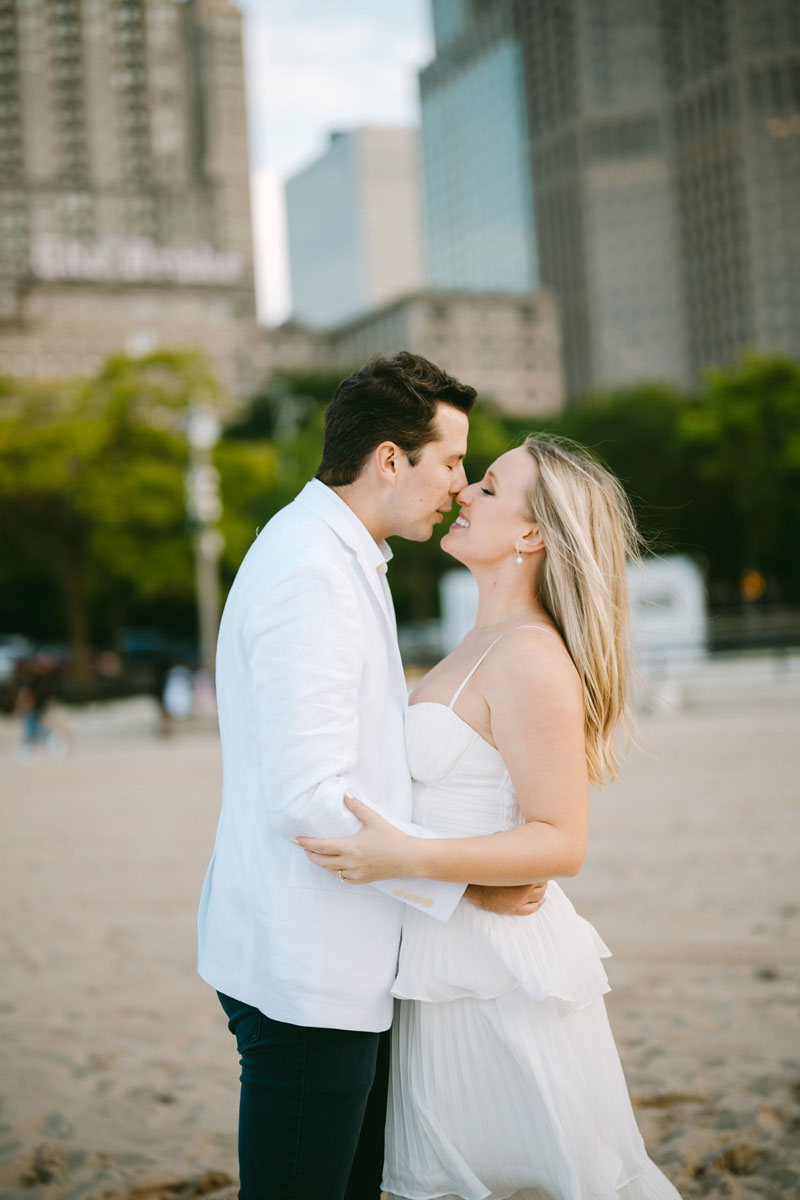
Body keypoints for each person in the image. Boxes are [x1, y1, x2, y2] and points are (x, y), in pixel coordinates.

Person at [197, 354, 546, 1200]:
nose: (460, 487)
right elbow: (308, 796)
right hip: (307, 969)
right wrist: (466, 883)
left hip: (337, 953)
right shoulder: (311, 572)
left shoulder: (339, 554)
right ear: (390, 459)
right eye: (452, 463)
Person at [299, 436, 683, 1199]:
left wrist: (403, 858)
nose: (465, 493)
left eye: (489, 486)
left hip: (497, 974)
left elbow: (560, 842)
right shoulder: (475, 643)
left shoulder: (531, 655)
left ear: (532, 533)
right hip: (440, 956)